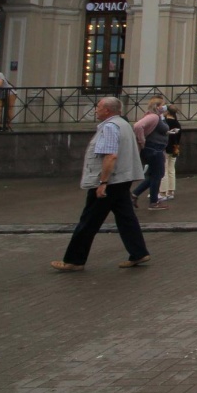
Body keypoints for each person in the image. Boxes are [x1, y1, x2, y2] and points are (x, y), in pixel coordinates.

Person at [51, 95, 150, 272]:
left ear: (107, 110)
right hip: (123, 179)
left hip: (110, 181)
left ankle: (74, 260)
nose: (96, 109)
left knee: (89, 221)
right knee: (126, 218)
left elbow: (110, 156)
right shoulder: (124, 124)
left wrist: (103, 182)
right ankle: (138, 252)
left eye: (98, 107)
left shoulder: (110, 127)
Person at [132, 96, 170, 209]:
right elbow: (138, 126)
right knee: (157, 175)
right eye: (162, 105)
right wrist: (142, 141)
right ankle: (153, 202)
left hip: (155, 149)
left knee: (153, 175)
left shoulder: (156, 117)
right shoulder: (153, 117)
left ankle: (134, 195)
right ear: (158, 106)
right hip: (153, 149)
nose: (164, 107)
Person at [161, 104, 182, 203]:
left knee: (164, 170)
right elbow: (179, 137)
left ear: (167, 112)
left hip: (165, 147)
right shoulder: (177, 123)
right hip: (175, 148)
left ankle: (163, 192)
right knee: (171, 169)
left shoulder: (164, 122)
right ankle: (171, 191)